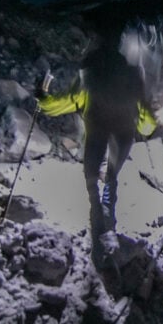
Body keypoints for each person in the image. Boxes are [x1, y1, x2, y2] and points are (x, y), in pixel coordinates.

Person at [37, 32, 156, 253]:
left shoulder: (88, 74)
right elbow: (145, 112)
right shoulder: (133, 74)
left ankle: (96, 215)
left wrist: (43, 100)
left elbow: (66, 102)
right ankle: (108, 213)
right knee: (112, 174)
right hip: (124, 134)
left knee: (91, 174)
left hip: (97, 130)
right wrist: (146, 129)